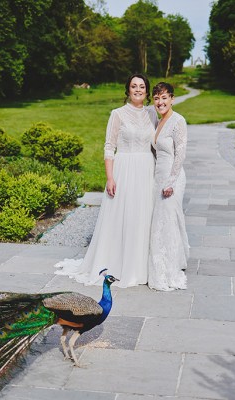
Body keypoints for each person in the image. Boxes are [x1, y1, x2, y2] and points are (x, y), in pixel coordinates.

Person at [55, 74, 158, 287]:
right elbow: (109, 147)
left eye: (141, 86)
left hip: (146, 170)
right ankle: (118, 264)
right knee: (123, 216)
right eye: (133, 86)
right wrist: (110, 177)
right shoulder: (117, 114)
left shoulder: (152, 114)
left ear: (147, 91)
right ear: (127, 90)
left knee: (142, 216)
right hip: (124, 169)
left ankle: (139, 267)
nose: (138, 90)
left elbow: (157, 145)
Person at [148, 82, 190, 291]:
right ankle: (171, 259)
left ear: (172, 99)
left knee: (168, 220)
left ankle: (169, 267)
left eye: (164, 98)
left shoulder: (178, 121)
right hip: (158, 177)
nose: (160, 102)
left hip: (172, 178)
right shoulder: (158, 121)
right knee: (162, 220)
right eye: (156, 98)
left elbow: (180, 152)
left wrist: (171, 182)